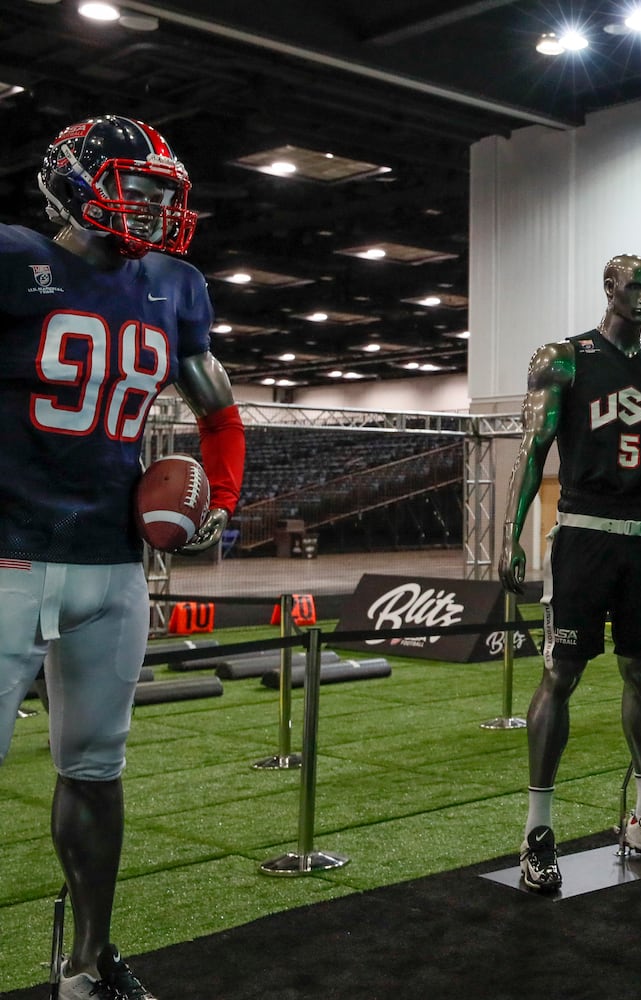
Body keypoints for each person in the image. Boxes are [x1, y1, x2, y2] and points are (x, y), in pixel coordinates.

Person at [0, 115, 246, 1000]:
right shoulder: (13, 256)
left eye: (159, 196)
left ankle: (88, 962)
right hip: (8, 555)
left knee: (97, 769)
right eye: (132, 190)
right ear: (69, 181)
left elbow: (217, 410)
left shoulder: (174, 285)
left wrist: (220, 495)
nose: (147, 209)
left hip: (111, 562)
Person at [499, 253, 641, 892]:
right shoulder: (564, 357)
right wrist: (512, 536)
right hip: (583, 533)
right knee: (560, 672)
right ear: (609, 288)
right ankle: (537, 829)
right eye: (635, 287)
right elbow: (532, 447)